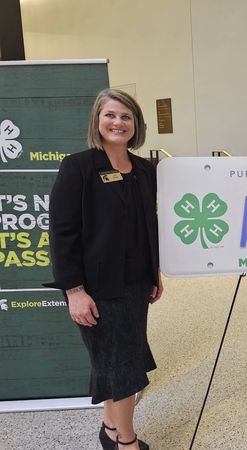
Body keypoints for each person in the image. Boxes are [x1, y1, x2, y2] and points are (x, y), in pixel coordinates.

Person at [45, 89, 162, 450]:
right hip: (96, 289)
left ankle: (111, 428)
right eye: (110, 115)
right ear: (97, 121)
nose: (118, 122)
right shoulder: (78, 166)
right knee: (121, 367)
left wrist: (154, 273)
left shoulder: (145, 169)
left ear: (136, 125)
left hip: (136, 284)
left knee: (116, 361)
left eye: (126, 117)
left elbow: (148, 226)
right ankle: (126, 443)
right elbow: (62, 233)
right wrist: (74, 290)